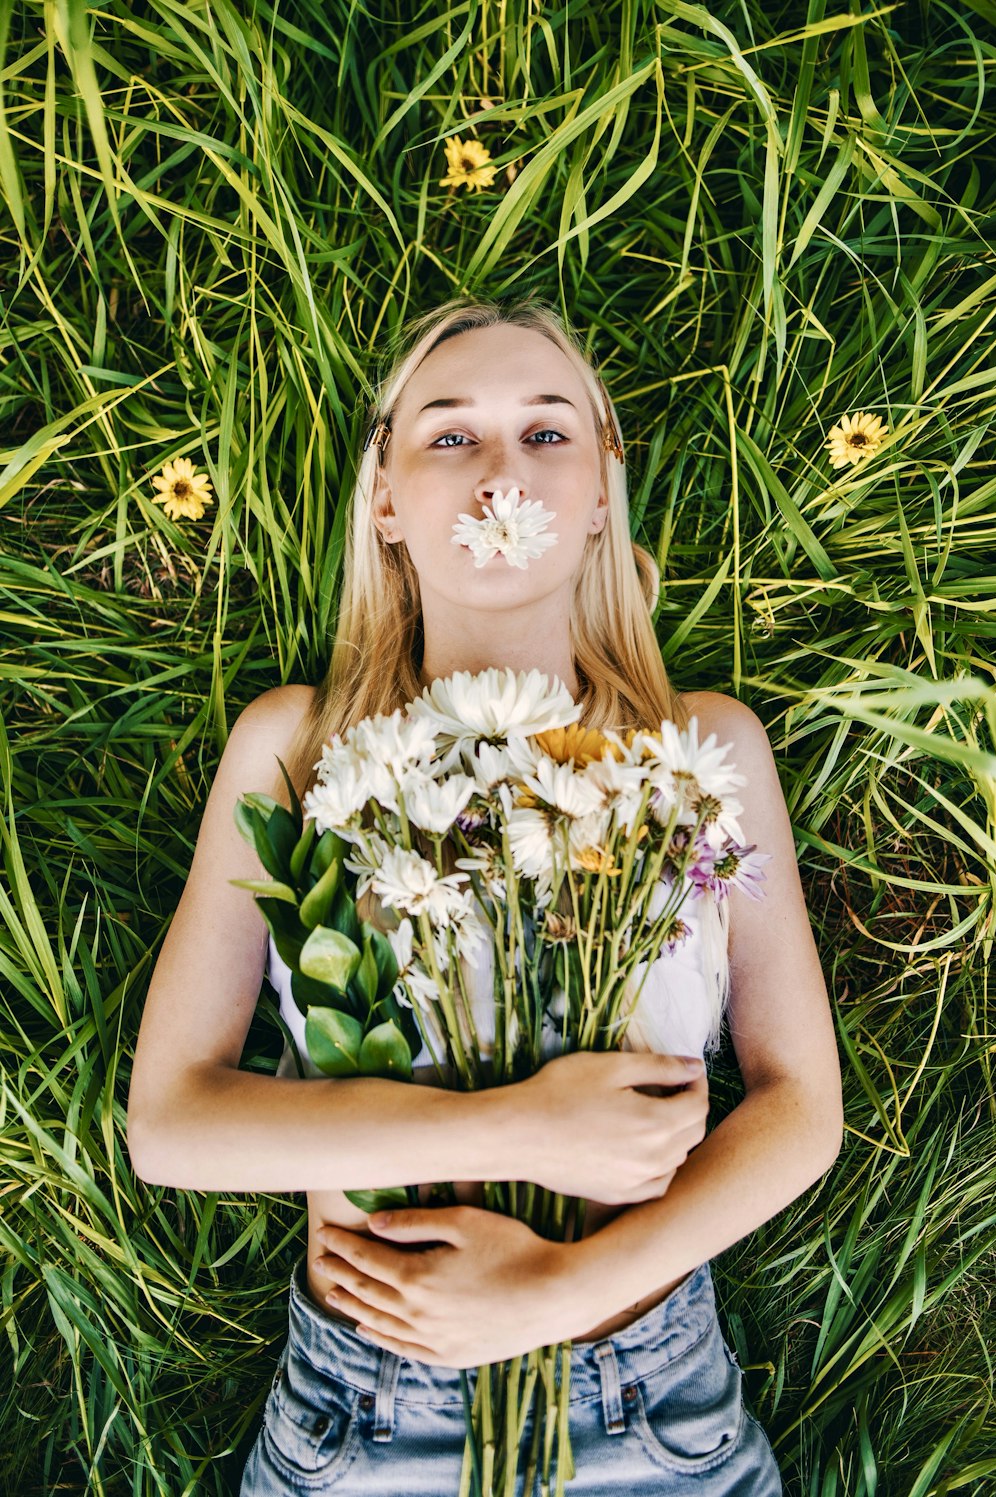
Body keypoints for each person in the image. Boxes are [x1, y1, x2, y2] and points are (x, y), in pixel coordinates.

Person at [126, 294, 843, 1495]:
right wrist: (514, 1127)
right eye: (450, 437)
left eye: (549, 435)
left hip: (650, 1398)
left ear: (604, 494)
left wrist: (562, 1290)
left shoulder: (695, 748)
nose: (502, 473)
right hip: (368, 1404)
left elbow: (799, 1108)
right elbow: (173, 1128)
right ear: (388, 503)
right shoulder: (299, 747)